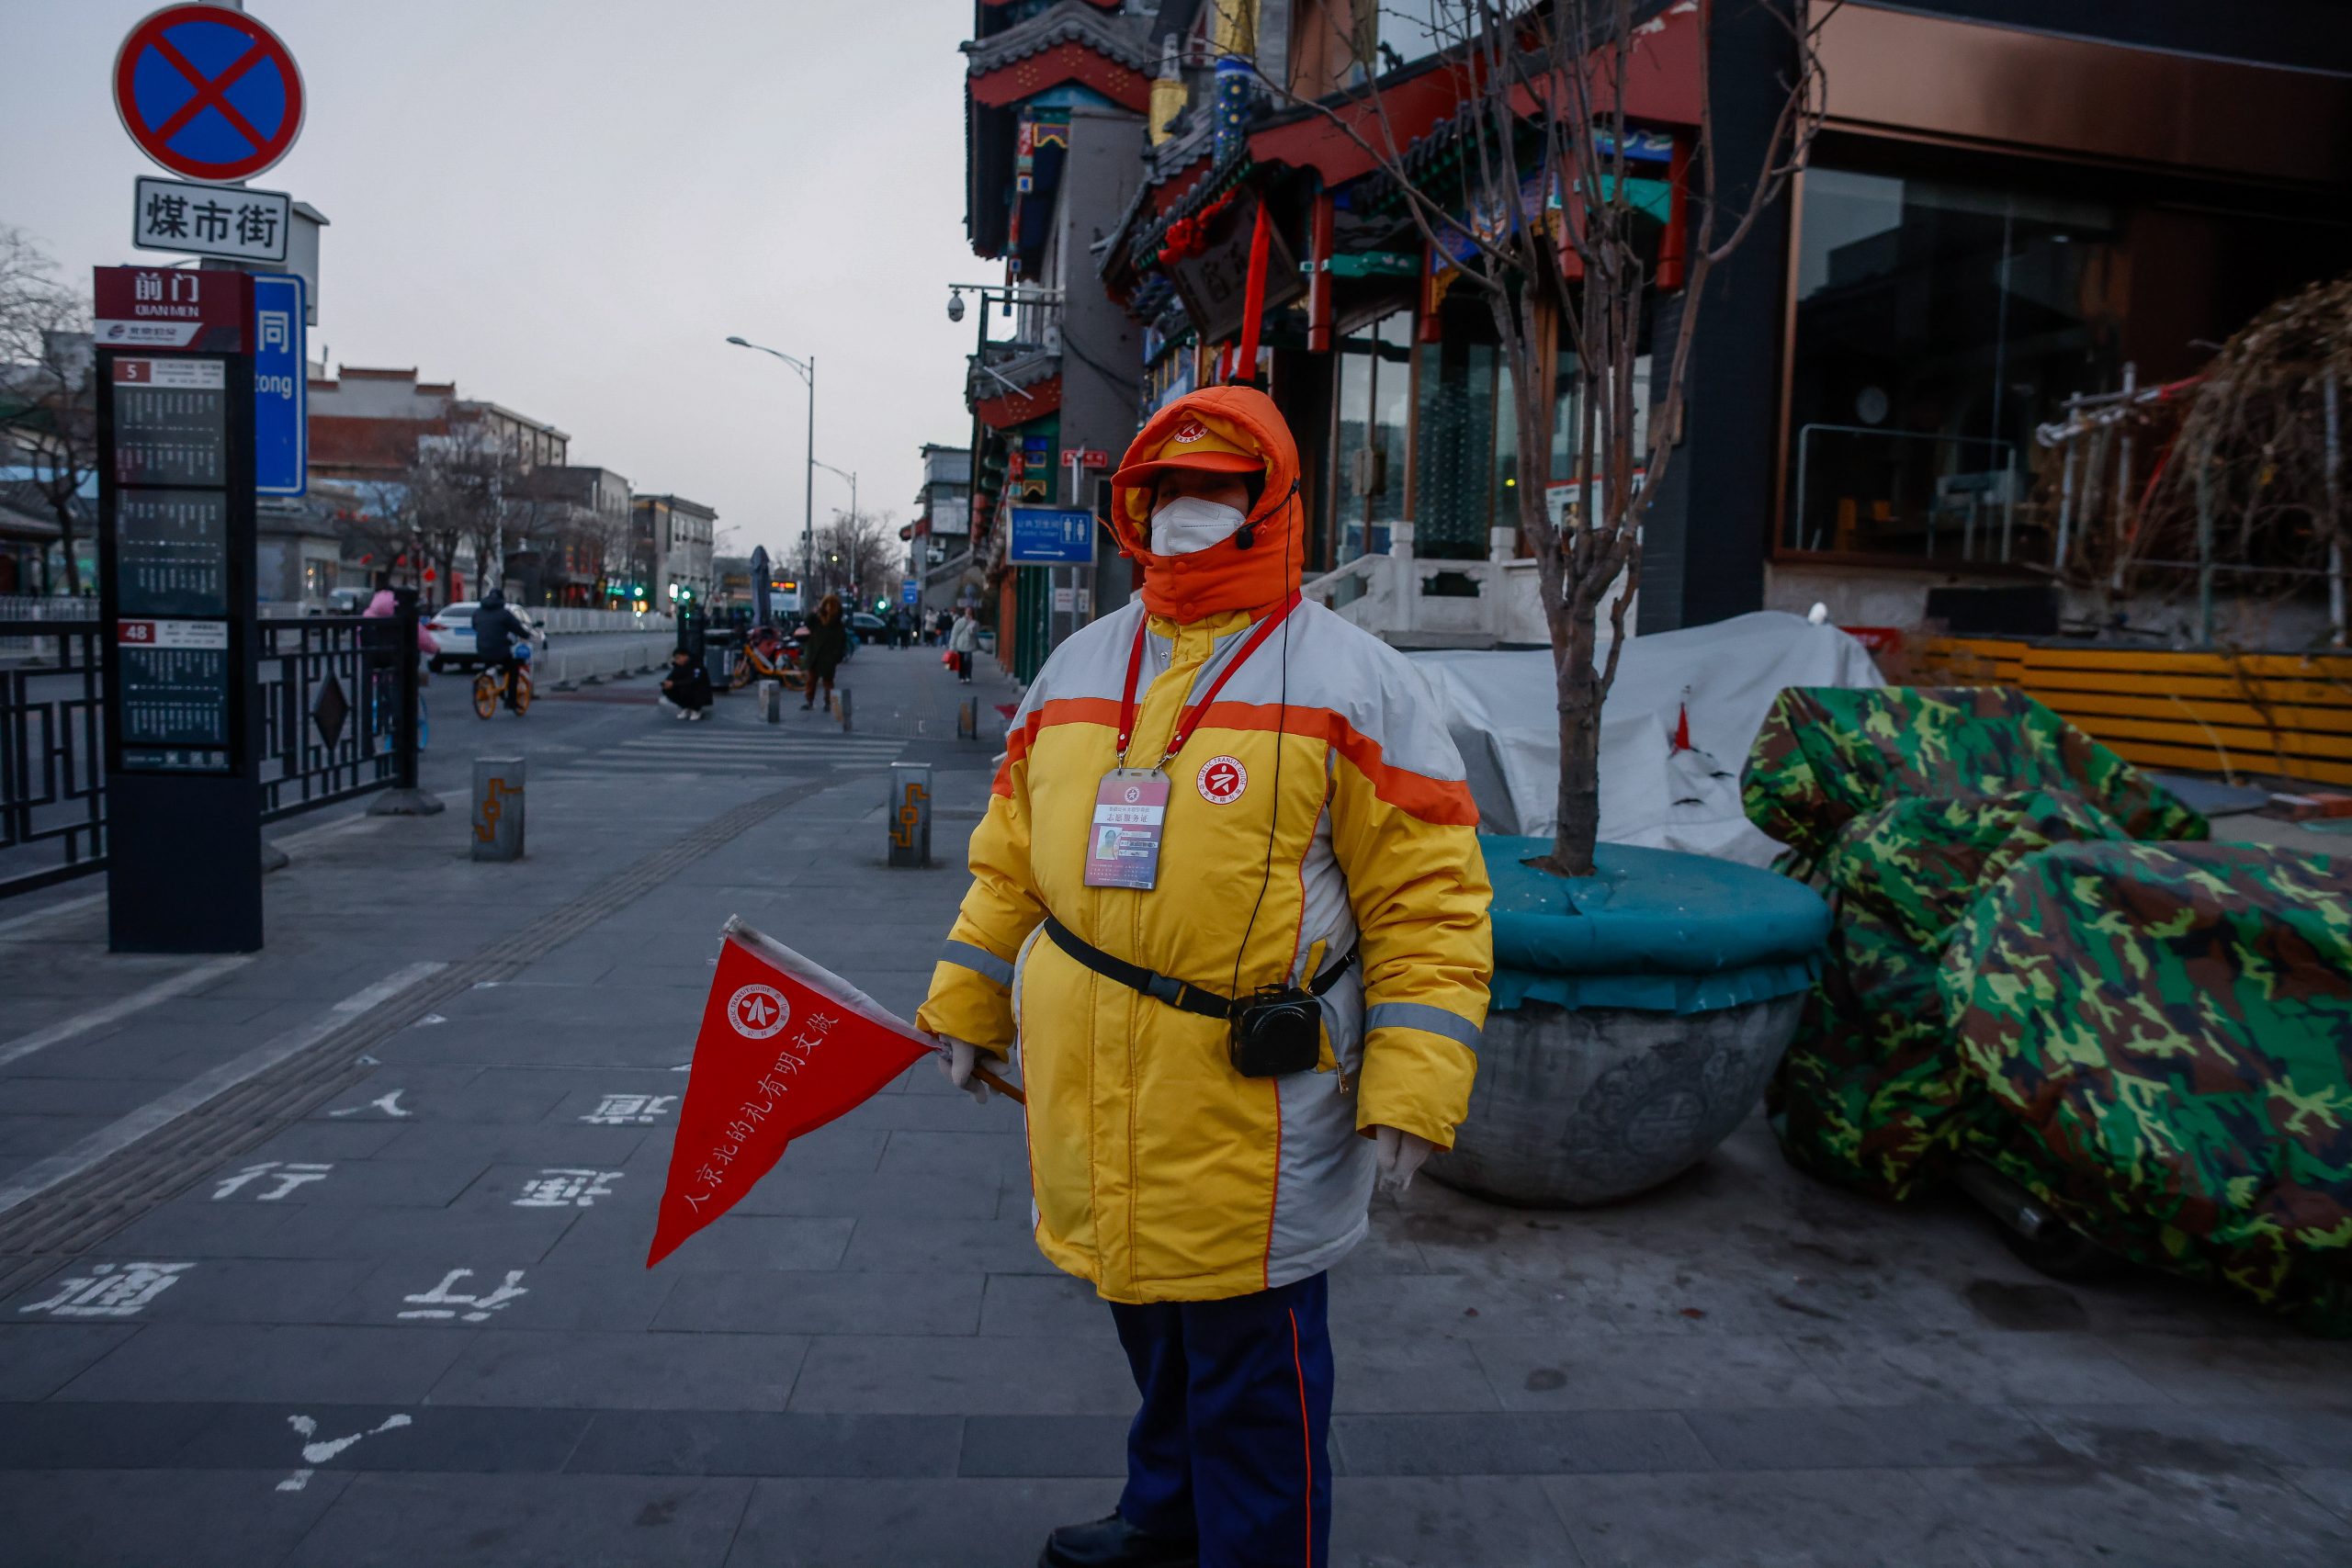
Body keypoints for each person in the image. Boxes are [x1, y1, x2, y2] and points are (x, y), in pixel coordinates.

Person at [916, 384, 1493, 1568]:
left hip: (1253, 1109)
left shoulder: (1354, 680)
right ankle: (1164, 1515)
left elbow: (1429, 900)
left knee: (1253, 1378)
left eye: (1218, 488)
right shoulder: (1076, 667)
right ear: (1135, 503)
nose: (1189, 511)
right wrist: (967, 998)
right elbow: (1008, 860)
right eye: (1168, 489)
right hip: (1094, 1090)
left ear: (1269, 499)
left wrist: (1413, 1084)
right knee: (1152, 1330)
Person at [470, 587, 533, 712]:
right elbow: (517, 628)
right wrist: (527, 635)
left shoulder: (478, 612)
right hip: (499, 649)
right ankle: (511, 700)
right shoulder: (504, 614)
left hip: (482, 648)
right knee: (513, 668)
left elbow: (475, 626)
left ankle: (489, 682)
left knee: (489, 665)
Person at [800, 592, 849, 712]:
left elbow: (841, 642)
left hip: (826, 657)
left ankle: (827, 702)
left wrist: (837, 656)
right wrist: (814, 612)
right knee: (813, 680)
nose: (830, 608)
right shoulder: (817, 619)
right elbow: (807, 622)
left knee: (826, 682)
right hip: (816, 655)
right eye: (828, 605)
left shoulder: (837, 624)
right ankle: (810, 701)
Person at [660, 647, 714, 720]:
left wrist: (674, 683)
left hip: (699, 690)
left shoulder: (697, 664)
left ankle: (696, 709)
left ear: (685, 656)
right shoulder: (678, 666)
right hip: (684, 686)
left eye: (678, 658)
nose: (677, 660)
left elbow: (694, 680)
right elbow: (672, 676)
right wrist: (667, 683)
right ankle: (686, 707)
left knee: (687, 688)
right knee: (667, 690)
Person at [946, 607, 978, 683]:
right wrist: (952, 645)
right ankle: (962, 676)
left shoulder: (975, 622)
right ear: (965, 612)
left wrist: (971, 627)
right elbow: (955, 633)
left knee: (968, 660)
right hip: (960, 644)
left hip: (970, 644)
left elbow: (975, 633)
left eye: (970, 611)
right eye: (967, 611)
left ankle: (968, 675)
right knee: (961, 661)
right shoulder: (960, 621)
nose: (968, 612)